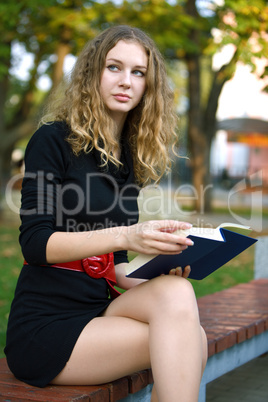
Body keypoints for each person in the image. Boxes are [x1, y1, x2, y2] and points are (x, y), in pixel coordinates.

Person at [5, 25, 207, 402]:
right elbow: (35, 244)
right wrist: (127, 235)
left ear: (149, 85)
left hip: (99, 312)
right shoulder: (52, 140)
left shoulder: (127, 159)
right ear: (93, 73)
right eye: (114, 67)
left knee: (176, 293)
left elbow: (115, 266)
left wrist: (162, 268)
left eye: (138, 72)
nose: (126, 81)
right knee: (189, 339)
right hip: (46, 328)